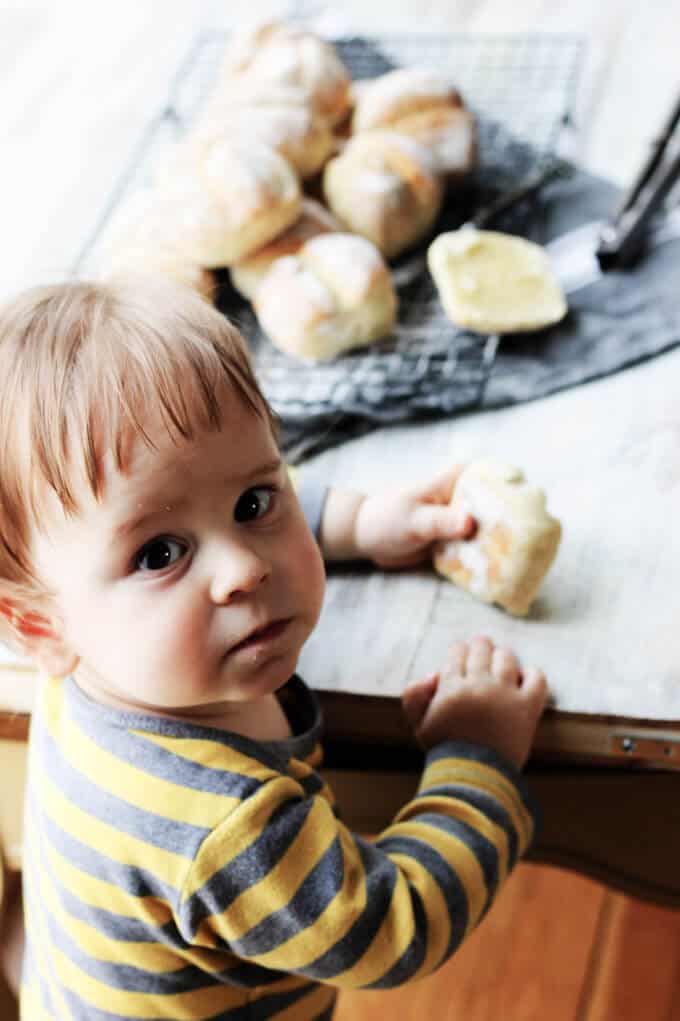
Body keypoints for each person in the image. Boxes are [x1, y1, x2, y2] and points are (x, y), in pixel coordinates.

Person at [0, 276, 547, 1020]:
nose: (245, 568)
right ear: (40, 627)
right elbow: (394, 926)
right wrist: (476, 759)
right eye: (160, 554)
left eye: (255, 505)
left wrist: (360, 521)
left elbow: (210, 480)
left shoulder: (94, 645)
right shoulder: (230, 829)